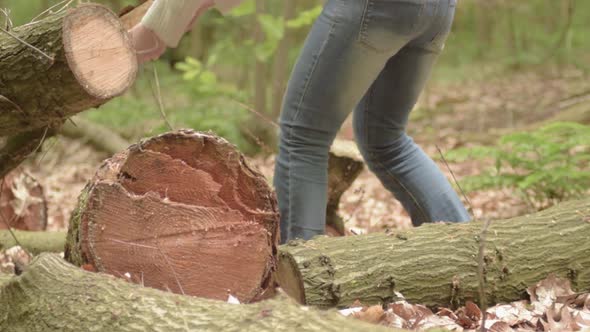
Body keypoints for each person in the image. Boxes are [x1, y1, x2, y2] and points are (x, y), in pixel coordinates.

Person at [130, 0, 470, 244]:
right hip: (438, 9)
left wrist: (155, 29)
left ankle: (308, 283)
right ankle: (473, 255)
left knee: (304, 138)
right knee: (386, 139)